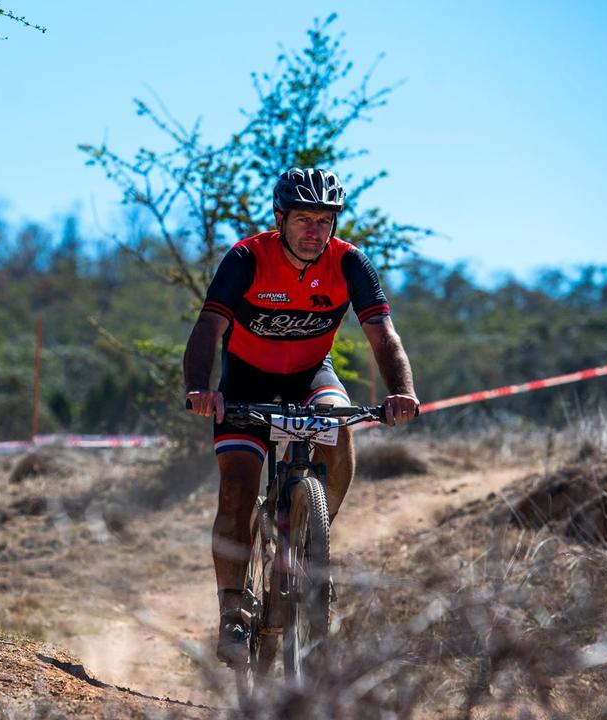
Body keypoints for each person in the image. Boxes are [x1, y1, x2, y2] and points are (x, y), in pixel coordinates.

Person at [183, 167, 419, 666]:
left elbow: (383, 335)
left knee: (338, 428)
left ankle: (313, 536)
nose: (315, 230)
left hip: (312, 374)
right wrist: (201, 389)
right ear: (281, 218)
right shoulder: (247, 258)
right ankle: (231, 612)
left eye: (325, 220)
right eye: (304, 219)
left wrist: (402, 391)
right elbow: (209, 327)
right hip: (245, 382)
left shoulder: (351, 262)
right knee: (238, 487)